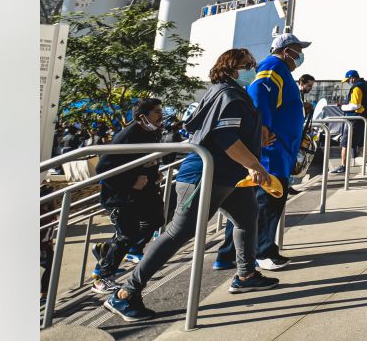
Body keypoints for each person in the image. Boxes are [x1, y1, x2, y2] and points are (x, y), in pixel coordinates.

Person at [105, 49, 278, 322]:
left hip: (228, 175)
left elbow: (230, 133)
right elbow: (225, 138)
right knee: (177, 233)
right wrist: (254, 165)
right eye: (248, 65)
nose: (253, 69)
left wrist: (257, 139)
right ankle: (125, 294)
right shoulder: (228, 95)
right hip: (206, 175)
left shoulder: (227, 92)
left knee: (247, 218)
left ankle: (245, 274)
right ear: (234, 67)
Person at [215, 33, 311, 272]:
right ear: (286, 51)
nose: (301, 56)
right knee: (267, 203)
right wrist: (264, 128)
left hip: (276, 150)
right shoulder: (273, 67)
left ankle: (228, 255)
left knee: (245, 207)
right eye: (298, 50)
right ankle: (262, 251)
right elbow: (258, 93)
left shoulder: (280, 71)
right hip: (272, 153)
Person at [89, 98, 166, 295]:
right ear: (143, 117)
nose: (161, 115)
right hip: (121, 196)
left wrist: (153, 174)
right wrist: (132, 182)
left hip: (145, 192)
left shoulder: (153, 133)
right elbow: (103, 168)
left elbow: (144, 161)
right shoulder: (128, 135)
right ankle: (102, 277)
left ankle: (111, 250)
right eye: (156, 112)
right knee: (126, 235)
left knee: (156, 219)